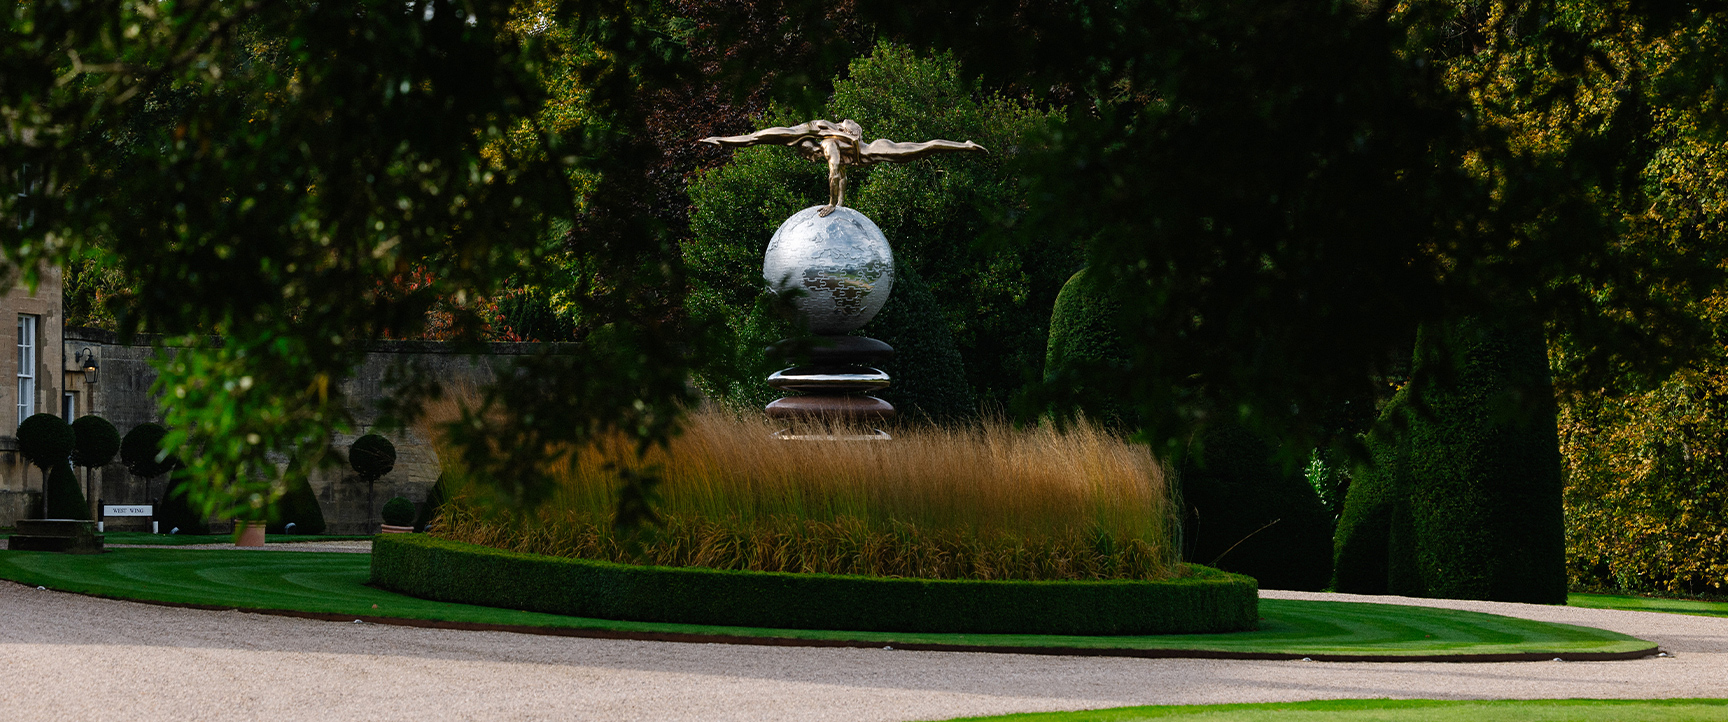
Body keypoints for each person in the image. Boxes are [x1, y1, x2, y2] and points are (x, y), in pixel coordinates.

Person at [700, 119, 987, 216]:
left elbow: (835, 172)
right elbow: (756, 138)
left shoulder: (826, 145)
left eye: (810, 158)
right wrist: (723, 141)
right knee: (918, 149)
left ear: (809, 149)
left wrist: (832, 204)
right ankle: (964, 146)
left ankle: (964, 145)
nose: (812, 160)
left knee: (920, 149)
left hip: (871, 150)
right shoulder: (815, 133)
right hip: (866, 150)